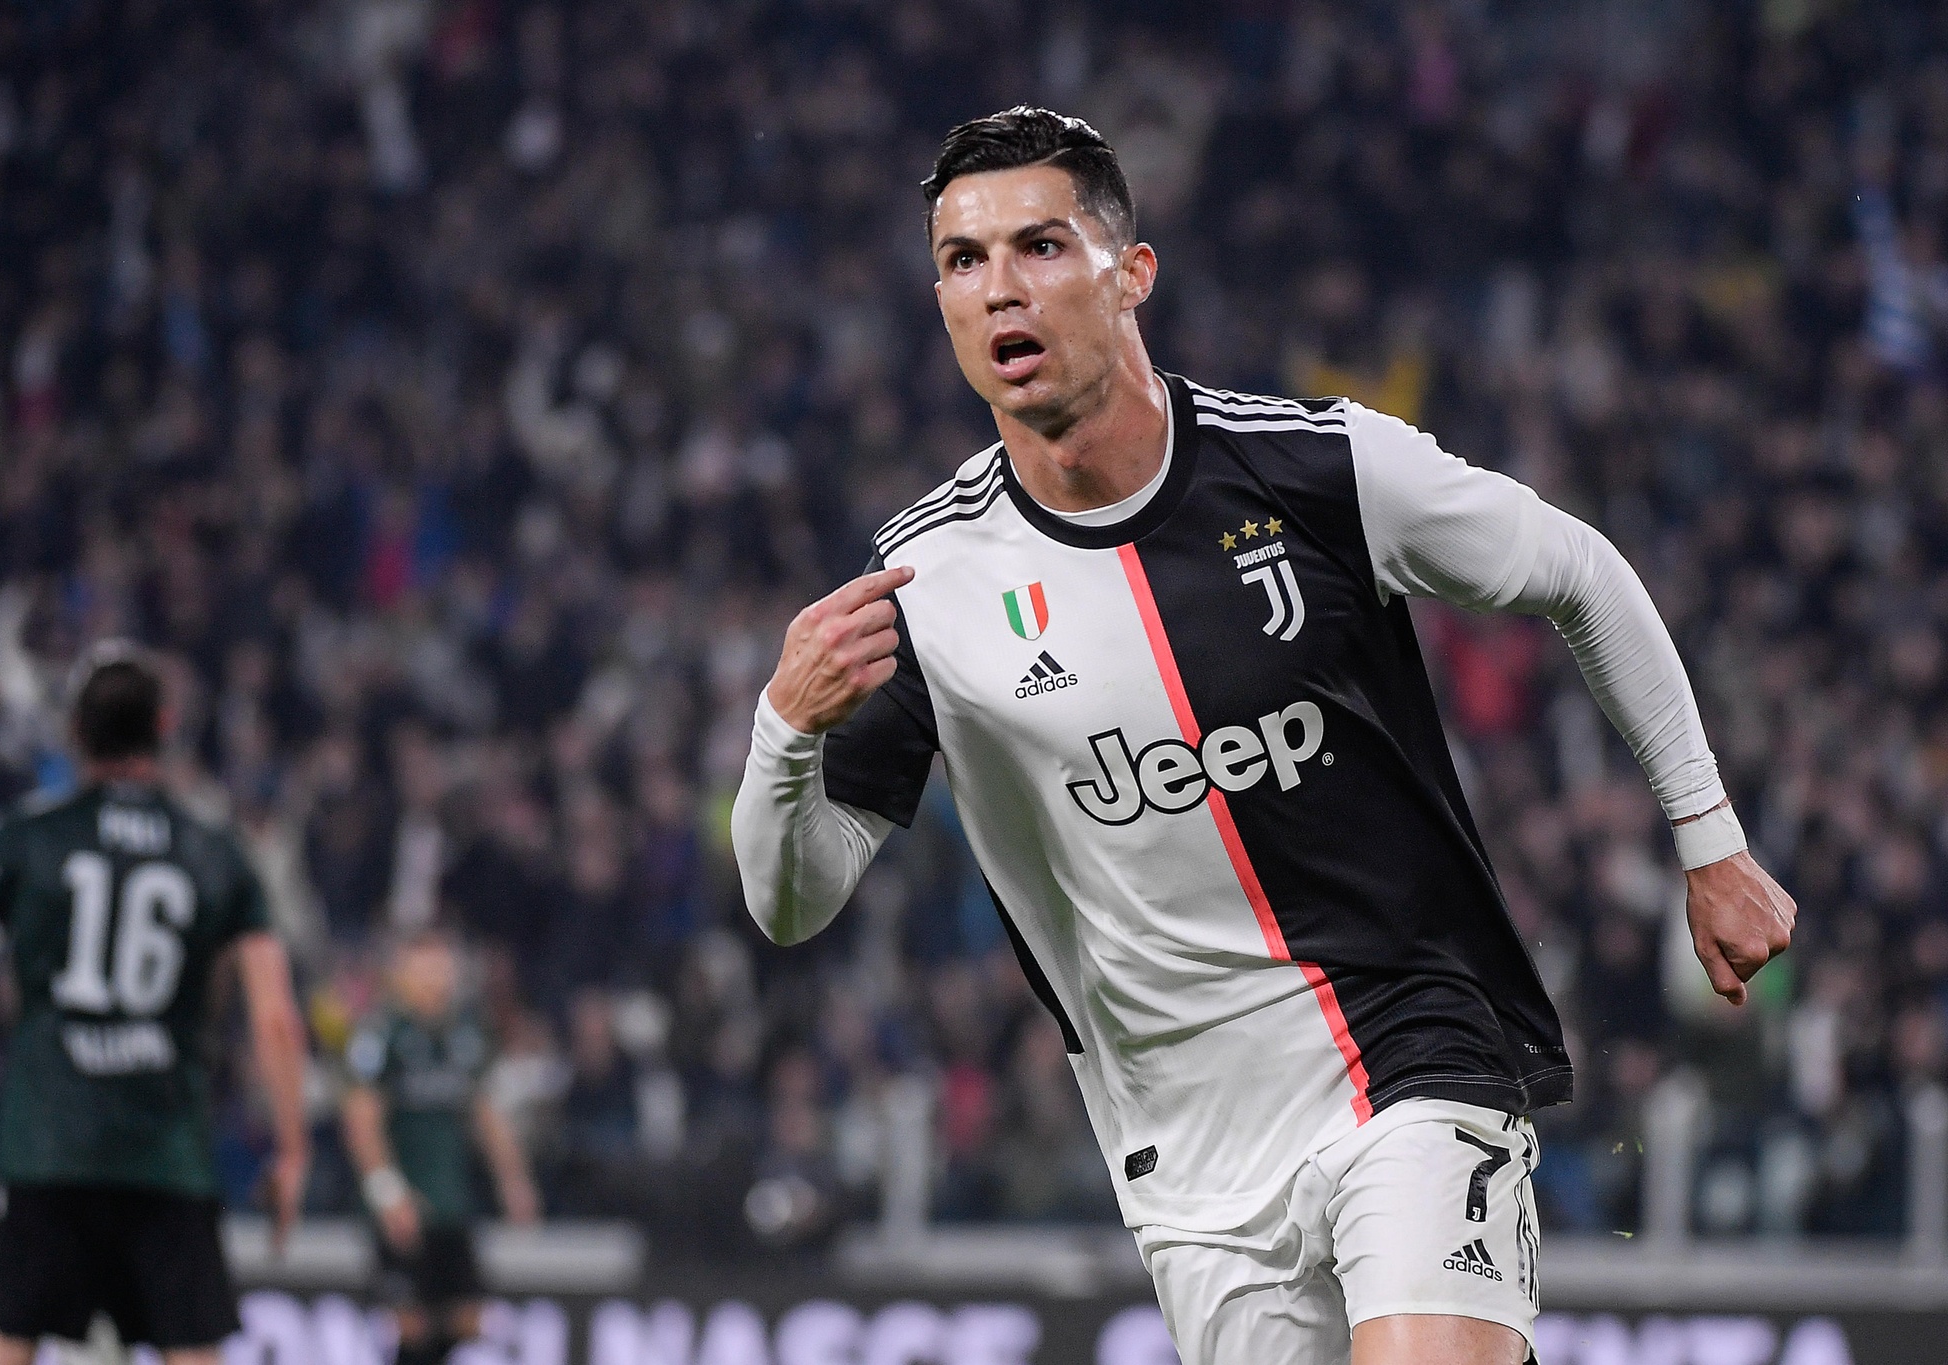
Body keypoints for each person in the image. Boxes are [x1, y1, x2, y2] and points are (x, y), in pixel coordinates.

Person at [731, 108, 1797, 1365]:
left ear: (1130, 275)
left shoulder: (1315, 469)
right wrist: (782, 733)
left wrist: (1708, 839)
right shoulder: (927, 582)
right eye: (964, 261)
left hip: (1409, 1046)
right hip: (1187, 1149)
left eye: (1039, 247)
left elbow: (1577, 571)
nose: (999, 287)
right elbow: (790, 903)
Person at [0, 643, 311, 1365]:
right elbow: (275, 1016)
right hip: (166, 1152)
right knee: (193, 1351)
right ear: (165, 723)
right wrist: (293, 1146)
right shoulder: (218, 850)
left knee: (5, 1345)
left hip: (46, 1145)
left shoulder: (19, 839)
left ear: (76, 731)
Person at [341, 930, 539, 1365]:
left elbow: (486, 1112)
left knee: (469, 1318)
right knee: (409, 1323)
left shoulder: (466, 1033)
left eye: (442, 966)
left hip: (451, 1203)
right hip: (403, 1204)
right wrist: (387, 1192)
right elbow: (361, 1118)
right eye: (424, 967)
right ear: (400, 973)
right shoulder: (382, 1034)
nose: (435, 977)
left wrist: (514, 1180)